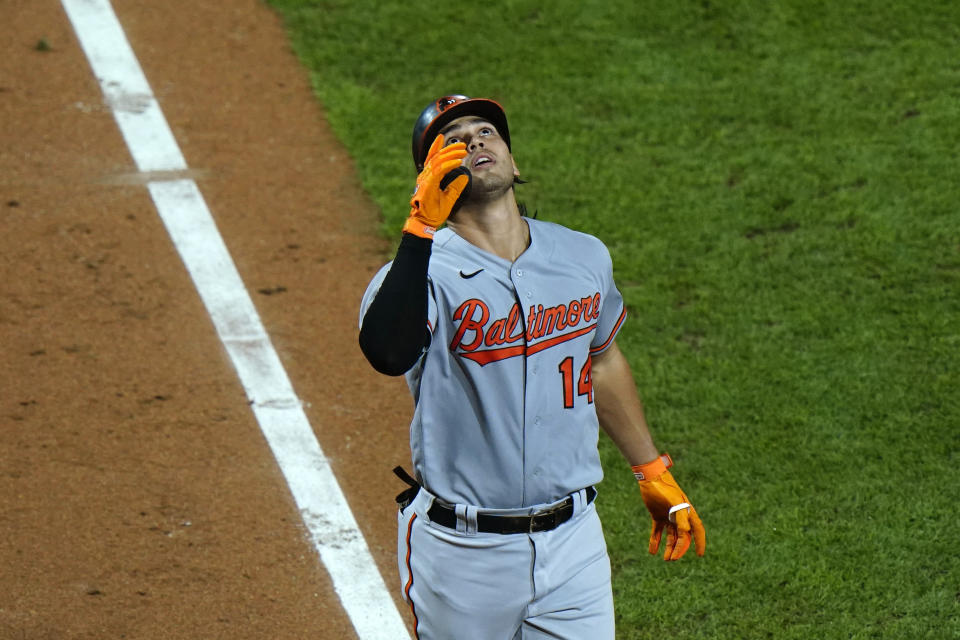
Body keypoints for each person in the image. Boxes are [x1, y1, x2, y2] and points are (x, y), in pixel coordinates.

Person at [358, 95, 705, 639]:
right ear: (431, 177)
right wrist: (420, 226)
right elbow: (387, 352)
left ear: (513, 163)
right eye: (451, 141)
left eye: (486, 131)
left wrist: (651, 469)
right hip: (462, 555)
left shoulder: (582, 256)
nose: (474, 141)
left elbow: (602, 359)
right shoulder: (415, 277)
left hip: (575, 545)